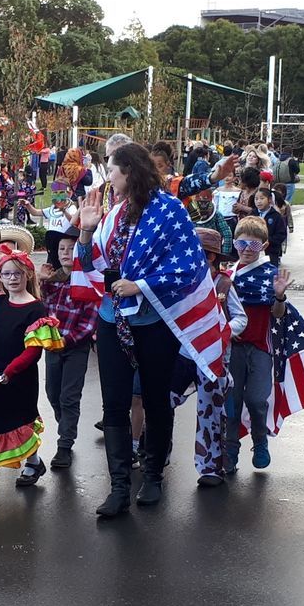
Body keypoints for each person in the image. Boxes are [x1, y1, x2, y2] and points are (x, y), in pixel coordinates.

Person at [75, 142, 230, 513]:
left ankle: (154, 477)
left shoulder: (169, 210)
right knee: (114, 404)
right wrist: (86, 231)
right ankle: (118, 487)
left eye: (111, 170)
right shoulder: (113, 214)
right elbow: (89, 263)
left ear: (129, 170)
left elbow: (187, 267)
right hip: (114, 320)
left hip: (154, 321)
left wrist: (140, 286)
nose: (108, 178)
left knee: (157, 400)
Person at [0, 243, 63, 502]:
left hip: (20, 378)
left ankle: (32, 462)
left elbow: (33, 351)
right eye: (7, 274)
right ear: (0, 276)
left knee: (19, 423)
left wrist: (11, 371)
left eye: (17, 274)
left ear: (27, 275)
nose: (12, 279)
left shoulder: (36, 309)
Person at [224, 217, 293, 474]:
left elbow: (277, 314)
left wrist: (279, 296)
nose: (246, 249)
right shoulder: (227, 275)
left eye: (253, 244)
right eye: (241, 242)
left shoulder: (271, 275)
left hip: (260, 348)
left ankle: (260, 441)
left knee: (255, 399)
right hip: (232, 348)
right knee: (231, 400)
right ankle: (230, 450)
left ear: (264, 245)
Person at [37, 226, 98, 469]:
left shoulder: (87, 280)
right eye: (61, 248)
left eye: (71, 249)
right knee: (53, 393)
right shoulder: (52, 280)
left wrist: (68, 339)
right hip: (52, 347)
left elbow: (89, 320)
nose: (65, 253)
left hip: (75, 346)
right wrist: (40, 281)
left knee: (69, 396)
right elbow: (41, 308)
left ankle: (65, 445)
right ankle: (66, 425)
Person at [192, 228, 246, 486]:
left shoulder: (224, 284)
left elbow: (240, 318)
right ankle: (155, 455)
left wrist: (224, 331)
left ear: (210, 257)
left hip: (213, 358)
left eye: (197, 254)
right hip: (184, 354)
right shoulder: (184, 281)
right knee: (162, 400)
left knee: (210, 410)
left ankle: (211, 467)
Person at [254, 187, 287, 266]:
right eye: (256, 199)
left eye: (262, 198)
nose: (259, 201)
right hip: (254, 251)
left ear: (269, 199)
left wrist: (269, 241)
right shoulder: (252, 214)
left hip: (271, 252)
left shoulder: (276, 216)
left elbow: (281, 234)